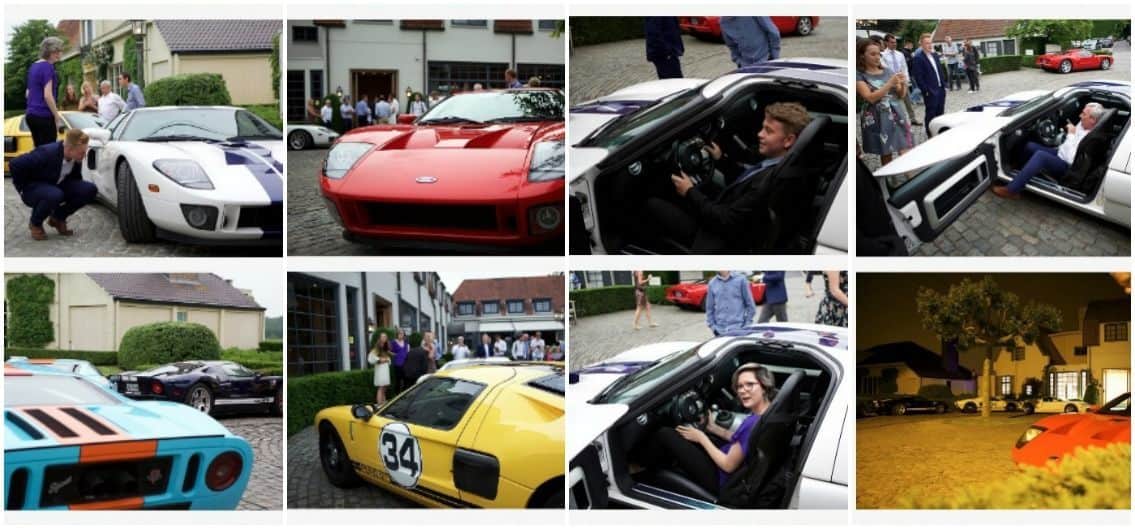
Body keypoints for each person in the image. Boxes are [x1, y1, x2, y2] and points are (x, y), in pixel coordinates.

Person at [641, 102, 811, 252]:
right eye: (762, 127)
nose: (760, 134)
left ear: (788, 140)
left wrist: (690, 191)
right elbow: (746, 180)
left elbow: (725, 220)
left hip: (715, 237)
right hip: (729, 215)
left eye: (768, 131)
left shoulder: (767, 182)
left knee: (652, 203)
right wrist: (721, 160)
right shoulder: (780, 164)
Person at [638, 363, 777, 495]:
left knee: (665, 434)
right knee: (691, 438)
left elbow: (728, 465)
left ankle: (637, 467)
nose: (742, 391)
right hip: (737, 468)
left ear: (764, 386)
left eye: (750, 385)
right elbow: (742, 441)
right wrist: (713, 428)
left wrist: (701, 438)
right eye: (739, 386)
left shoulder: (752, 424)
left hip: (722, 479)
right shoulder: (767, 411)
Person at [993, 102, 1104, 199]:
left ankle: (1012, 191)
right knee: (1029, 146)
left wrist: (1071, 134)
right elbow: (1071, 142)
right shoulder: (1084, 123)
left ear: (1092, 120)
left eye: (1084, 114)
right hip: (1060, 152)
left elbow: (1070, 159)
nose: (1080, 116)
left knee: (1040, 156)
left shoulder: (1090, 138)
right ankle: (1021, 173)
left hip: (1067, 166)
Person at [10, 129, 98, 241]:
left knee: (89, 189)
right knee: (55, 194)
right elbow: (15, 164)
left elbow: (75, 179)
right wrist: (22, 188)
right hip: (34, 188)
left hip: (56, 186)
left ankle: (57, 218)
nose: (84, 156)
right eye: (82, 152)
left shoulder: (75, 157)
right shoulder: (47, 152)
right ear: (70, 149)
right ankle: (35, 223)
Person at [857, 38, 913, 166]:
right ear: (862, 56)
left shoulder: (888, 71)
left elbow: (900, 95)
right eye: (873, 54)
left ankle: (913, 180)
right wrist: (890, 83)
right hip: (878, 116)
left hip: (896, 114)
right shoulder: (859, 75)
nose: (877, 57)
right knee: (886, 152)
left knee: (903, 147)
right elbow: (870, 97)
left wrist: (903, 84)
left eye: (879, 54)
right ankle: (889, 179)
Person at [26, 37, 66, 147]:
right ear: (53, 52)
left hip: (31, 116)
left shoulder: (33, 67)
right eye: (59, 51)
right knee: (49, 153)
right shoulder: (48, 67)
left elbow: (28, 93)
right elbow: (48, 95)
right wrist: (57, 116)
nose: (60, 54)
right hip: (44, 116)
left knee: (39, 152)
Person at [910, 33, 946, 136]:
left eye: (931, 43)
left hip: (940, 90)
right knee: (931, 114)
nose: (930, 45)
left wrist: (944, 85)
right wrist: (926, 91)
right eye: (927, 43)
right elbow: (918, 77)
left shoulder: (935, 55)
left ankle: (939, 132)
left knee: (940, 113)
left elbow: (939, 71)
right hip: (930, 92)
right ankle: (930, 134)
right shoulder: (918, 58)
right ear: (921, 44)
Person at [883, 34, 920, 126]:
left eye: (895, 42)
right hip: (891, 83)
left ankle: (913, 119)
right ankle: (898, 122)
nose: (894, 44)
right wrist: (892, 82)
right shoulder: (883, 55)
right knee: (895, 104)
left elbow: (904, 67)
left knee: (908, 102)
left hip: (903, 82)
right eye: (892, 42)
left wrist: (906, 80)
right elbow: (885, 70)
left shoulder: (900, 54)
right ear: (886, 43)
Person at [705, 270, 756, 336]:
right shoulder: (712, 283)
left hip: (739, 329)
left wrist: (746, 325)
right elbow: (709, 308)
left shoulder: (741, 280)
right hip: (720, 331)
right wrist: (713, 328)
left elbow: (751, 306)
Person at [368, 332, 392, 405]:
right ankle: (379, 404)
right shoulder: (377, 348)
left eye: (385, 337)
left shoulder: (386, 347)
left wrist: (387, 360)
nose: (384, 338)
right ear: (380, 338)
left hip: (385, 369)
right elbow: (371, 358)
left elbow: (388, 358)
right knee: (381, 386)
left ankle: (383, 402)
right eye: (383, 337)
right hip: (380, 369)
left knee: (385, 386)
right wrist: (379, 360)